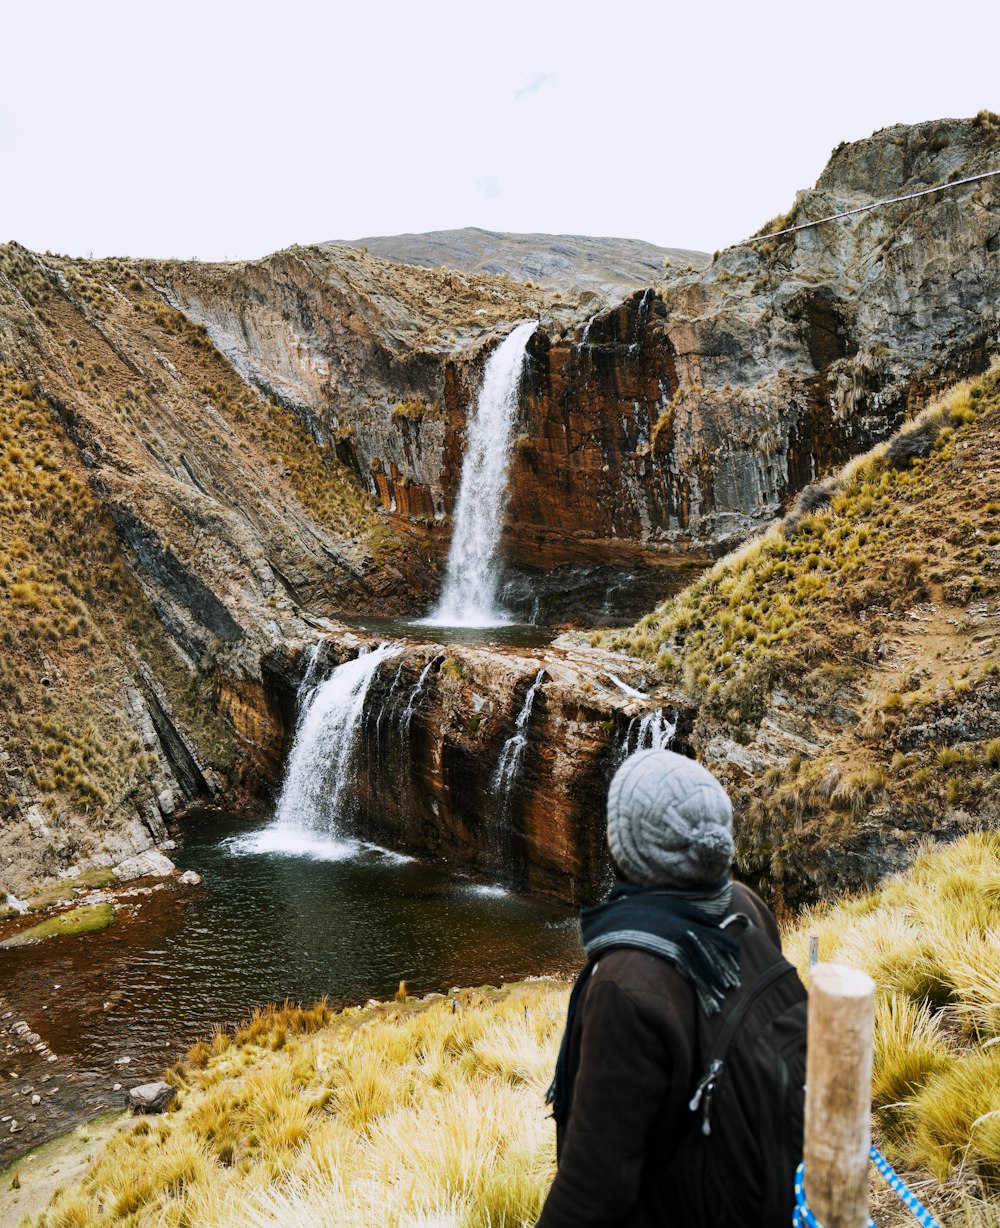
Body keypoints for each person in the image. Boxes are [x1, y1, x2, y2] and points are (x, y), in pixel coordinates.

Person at [537, 748, 806, 1228]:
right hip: (748, 1182)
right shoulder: (744, 906)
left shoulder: (626, 981)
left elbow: (594, 1186)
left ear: (635, 847)